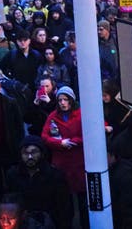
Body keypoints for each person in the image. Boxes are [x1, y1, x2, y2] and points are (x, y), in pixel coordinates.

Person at [40, 86, 87, 227]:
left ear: (71, 100)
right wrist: (60, 143)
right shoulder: (53, 116)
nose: (62, 103)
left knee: (83, 199)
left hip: (79, 162)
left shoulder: (81, 114)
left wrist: (74, 142)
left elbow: (88, 132)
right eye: (60, 100)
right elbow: (44, 137)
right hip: (61, 164)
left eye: (65, 99)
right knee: (64, 200)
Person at [5, 136, 73, 229]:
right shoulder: (12, 174)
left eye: (34, 152)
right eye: (25, 153)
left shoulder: (55, 175)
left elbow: (64, 208)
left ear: (41, 153)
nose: (30, 157)